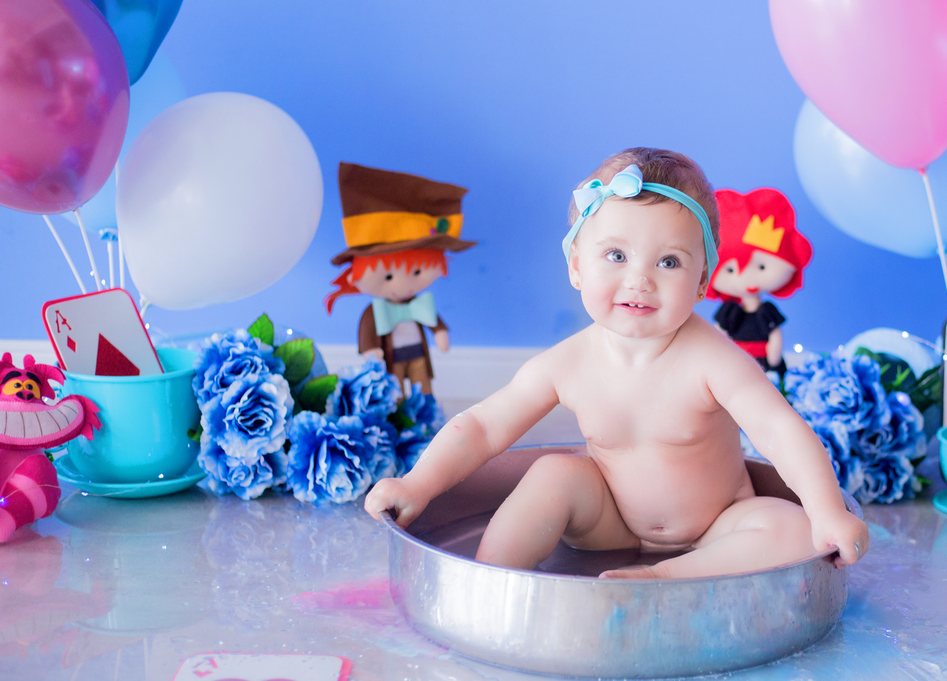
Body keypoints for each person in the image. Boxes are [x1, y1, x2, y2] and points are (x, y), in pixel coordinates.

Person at [365, 148, 868, 578]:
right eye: (616, 256)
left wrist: (826, 511)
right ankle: (491, 575)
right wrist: (417, 485)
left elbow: (780, 431)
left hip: (720, 526)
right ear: (577, 266)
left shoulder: (715, 360)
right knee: (552, 475)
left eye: (668, 261)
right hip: (607, 522)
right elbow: (481, 428)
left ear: (701, 281)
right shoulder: (569, 363)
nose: (640, 280)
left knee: (792, 527)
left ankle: (666, 578)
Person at [325, 162, 477, 397]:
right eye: (387, 276)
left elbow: (433, 319)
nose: (401, 285)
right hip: (392, 358)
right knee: (395, 392)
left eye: (417, 272)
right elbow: (367, 330)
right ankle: (399, 418)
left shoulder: (420, 306)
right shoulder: (374, 312)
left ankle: (425, 414)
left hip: (418, 354)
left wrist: (440, 331)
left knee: (422, 387)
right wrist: (370, 348)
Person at [708, 188, 812, 376]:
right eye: (731, 270)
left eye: (761, 267)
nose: (747, 279)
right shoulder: (730, 312)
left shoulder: (767, 312)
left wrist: (774, 356)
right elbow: (720, 335)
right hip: (736, 364)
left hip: (765, 364)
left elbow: (775, 336)